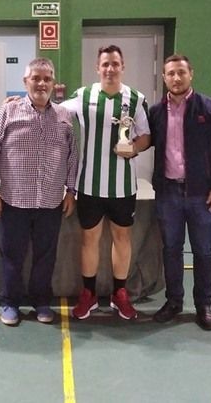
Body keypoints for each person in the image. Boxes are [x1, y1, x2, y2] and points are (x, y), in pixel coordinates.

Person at [0, 58, 78, 326]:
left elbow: (72, 156)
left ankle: (41, 302)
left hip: (51, 201)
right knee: (12, 255)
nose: (41, 83)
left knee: (46, 257)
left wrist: (71, 191)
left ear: (53, 83)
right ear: (25, 82)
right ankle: (10, 303)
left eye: (47, 78)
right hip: (14, 200)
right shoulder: (8, 112)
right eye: (36, 78)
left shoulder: (63, 116)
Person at [62, 45, 151, 320]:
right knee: (89, 239)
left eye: (115, 63)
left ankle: (119, 293)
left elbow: (146, 136)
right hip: (89, 184)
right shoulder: (83, 95)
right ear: (97, 68)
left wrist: (133, 148)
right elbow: (53, 112)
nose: (110, 69)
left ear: (123, 66)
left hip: (123, 186)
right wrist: (19, 102)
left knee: (122, 238)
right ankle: (88, 294)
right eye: (105, 64)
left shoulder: (135, 98)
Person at [148, 54, 211, 331]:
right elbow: (141, 140)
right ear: (164, 78)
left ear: (191, 74)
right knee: (171, 250)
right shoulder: (155, 113)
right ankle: (174, 301)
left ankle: (203, 305)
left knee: (203, 252)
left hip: (201, 195)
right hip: (168, 194)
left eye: (181, 72)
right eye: (171, 73)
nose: (176, 78)